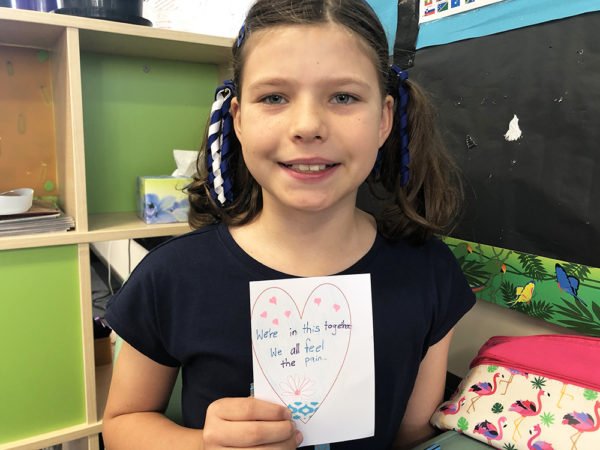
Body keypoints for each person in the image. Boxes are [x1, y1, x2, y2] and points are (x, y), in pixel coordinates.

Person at [102, 0, 475, 448]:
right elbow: (123, 422)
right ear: (238, 120)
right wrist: (201, 445)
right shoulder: (171, 277)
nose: (308, 126)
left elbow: (412, 436)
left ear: (383, 120)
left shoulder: (428, 273)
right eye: (274, 97)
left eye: (343, 97)